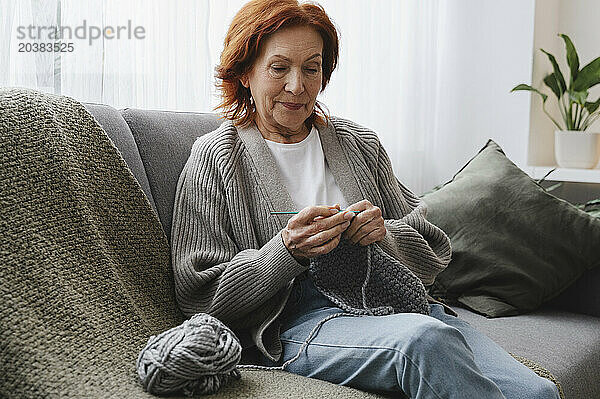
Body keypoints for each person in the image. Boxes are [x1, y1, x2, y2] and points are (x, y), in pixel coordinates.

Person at [170, 1, 561, 398]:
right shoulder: (216, 156)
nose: (297, 86)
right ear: (244, 70)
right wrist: (286, 252)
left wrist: (384, 236)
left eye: (312, 67)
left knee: (538, 392)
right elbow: (198, 293)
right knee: (424, 343)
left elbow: (433, 248)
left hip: (395, 304)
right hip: (299, 323)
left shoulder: (358, 143)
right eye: (279, 67)